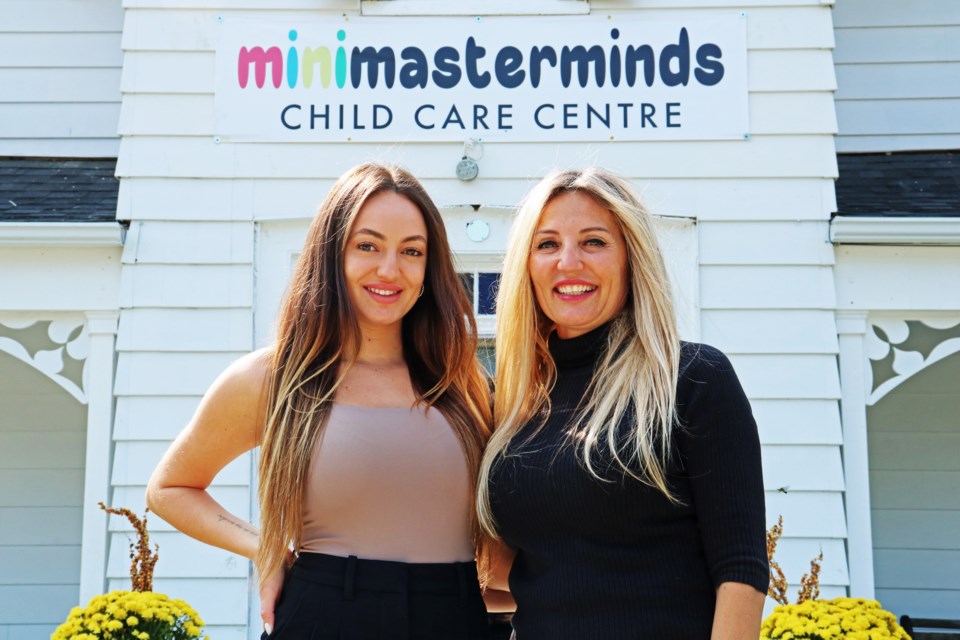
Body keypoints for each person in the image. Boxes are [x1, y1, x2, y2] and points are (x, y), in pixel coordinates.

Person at [146, 163, 493, 639]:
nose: (390, 270)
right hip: (326, 613)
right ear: (332, 255)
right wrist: (265, 548)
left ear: (429, 269)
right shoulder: (276, 378)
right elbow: (169, 489)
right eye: (367, 245)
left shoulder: (464, 383)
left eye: (411, 251)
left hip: (455, 615)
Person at [478, 168, 769, 639]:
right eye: (547, 244)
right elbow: (505, 575)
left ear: (632, 258)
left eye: (594, 242)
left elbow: (741, 569)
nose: (568, 262)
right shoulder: (508, 404)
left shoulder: (692, 380)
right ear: (525, 266)